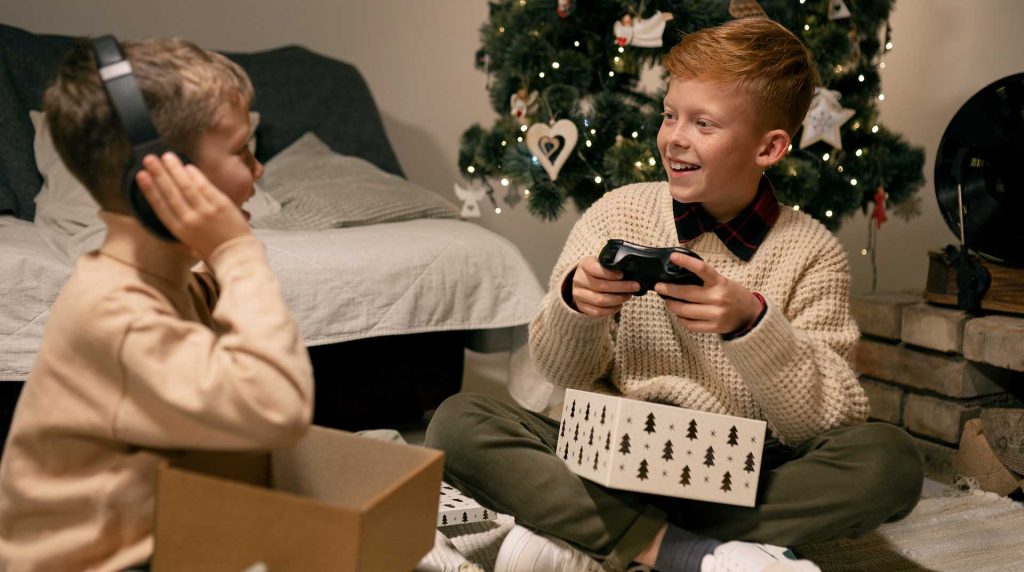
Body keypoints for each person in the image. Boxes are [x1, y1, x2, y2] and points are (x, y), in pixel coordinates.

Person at [426, 17, 923, 572]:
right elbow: (561, 370)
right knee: (456, 422)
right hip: (616, 455)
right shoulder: (619, 211)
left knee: (891, 462)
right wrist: (575, 305)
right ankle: (689, 553)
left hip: (745, 468)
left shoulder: (812, 251)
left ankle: (604, 537)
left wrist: (751, 324)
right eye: (670, 115)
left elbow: (827, 421)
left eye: (703, 123)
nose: (674, 138)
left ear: (769, 147)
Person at [0, 37, 313, 570]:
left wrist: (219, 261)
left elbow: (248, 361)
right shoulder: (114, 315)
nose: (259, 172)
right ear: (160, 180)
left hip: (157, 537)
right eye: (242, 151)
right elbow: (279, 406)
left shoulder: (174, 286)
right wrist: (233, 249)